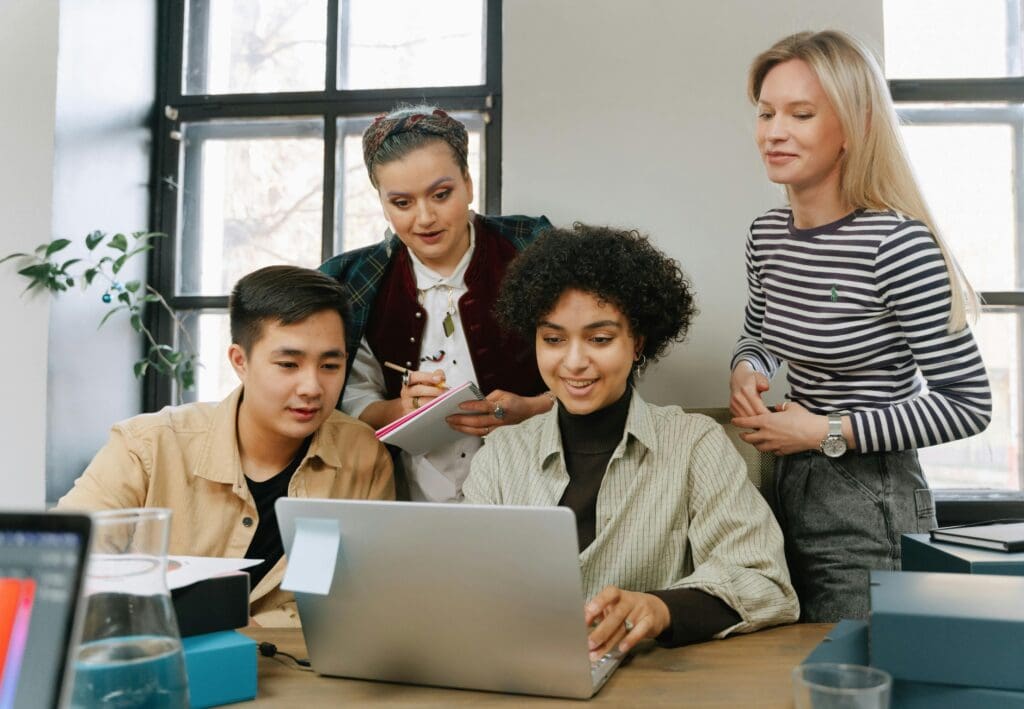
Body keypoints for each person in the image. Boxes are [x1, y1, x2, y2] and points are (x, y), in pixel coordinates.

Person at [729, 30, 993, 622]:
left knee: (858, 666)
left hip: (872, 495)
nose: (774, 132)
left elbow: (968, 405)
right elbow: (761, 336)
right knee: (788, 663)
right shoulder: (766, 235)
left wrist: (824, 431)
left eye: (801, 114)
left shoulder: (896, 246)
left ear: (853, 126)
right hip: (787, 483)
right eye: (766, 113)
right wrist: (747, 368)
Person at [464, 224, 798, 659]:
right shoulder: (501, 456)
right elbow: (465, 588)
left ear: (637, 342)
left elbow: (766, 583)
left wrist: (659, 609)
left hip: (654, 683)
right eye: (553, 339)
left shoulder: (694, 445)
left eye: (600, 339)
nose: (574, 362)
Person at [57, 265, 395, 626]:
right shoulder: (147, 446)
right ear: (240, 361)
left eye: (329, 365)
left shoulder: (362, 455)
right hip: (164, 652)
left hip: (299, 659)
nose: (312, 387)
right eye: (288, 364)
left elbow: (365, 600)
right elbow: (61, 564)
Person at [321, 106, 553, 502]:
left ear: (468, 183)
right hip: (407, 500)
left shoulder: (532, 250)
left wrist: (530, 410)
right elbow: (351, 398)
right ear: (382, 203)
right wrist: (399, 409)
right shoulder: (354, 280)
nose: (425, 217)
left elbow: (595, 368)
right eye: (402, 203)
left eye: (441, 195)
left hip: (534, 492)